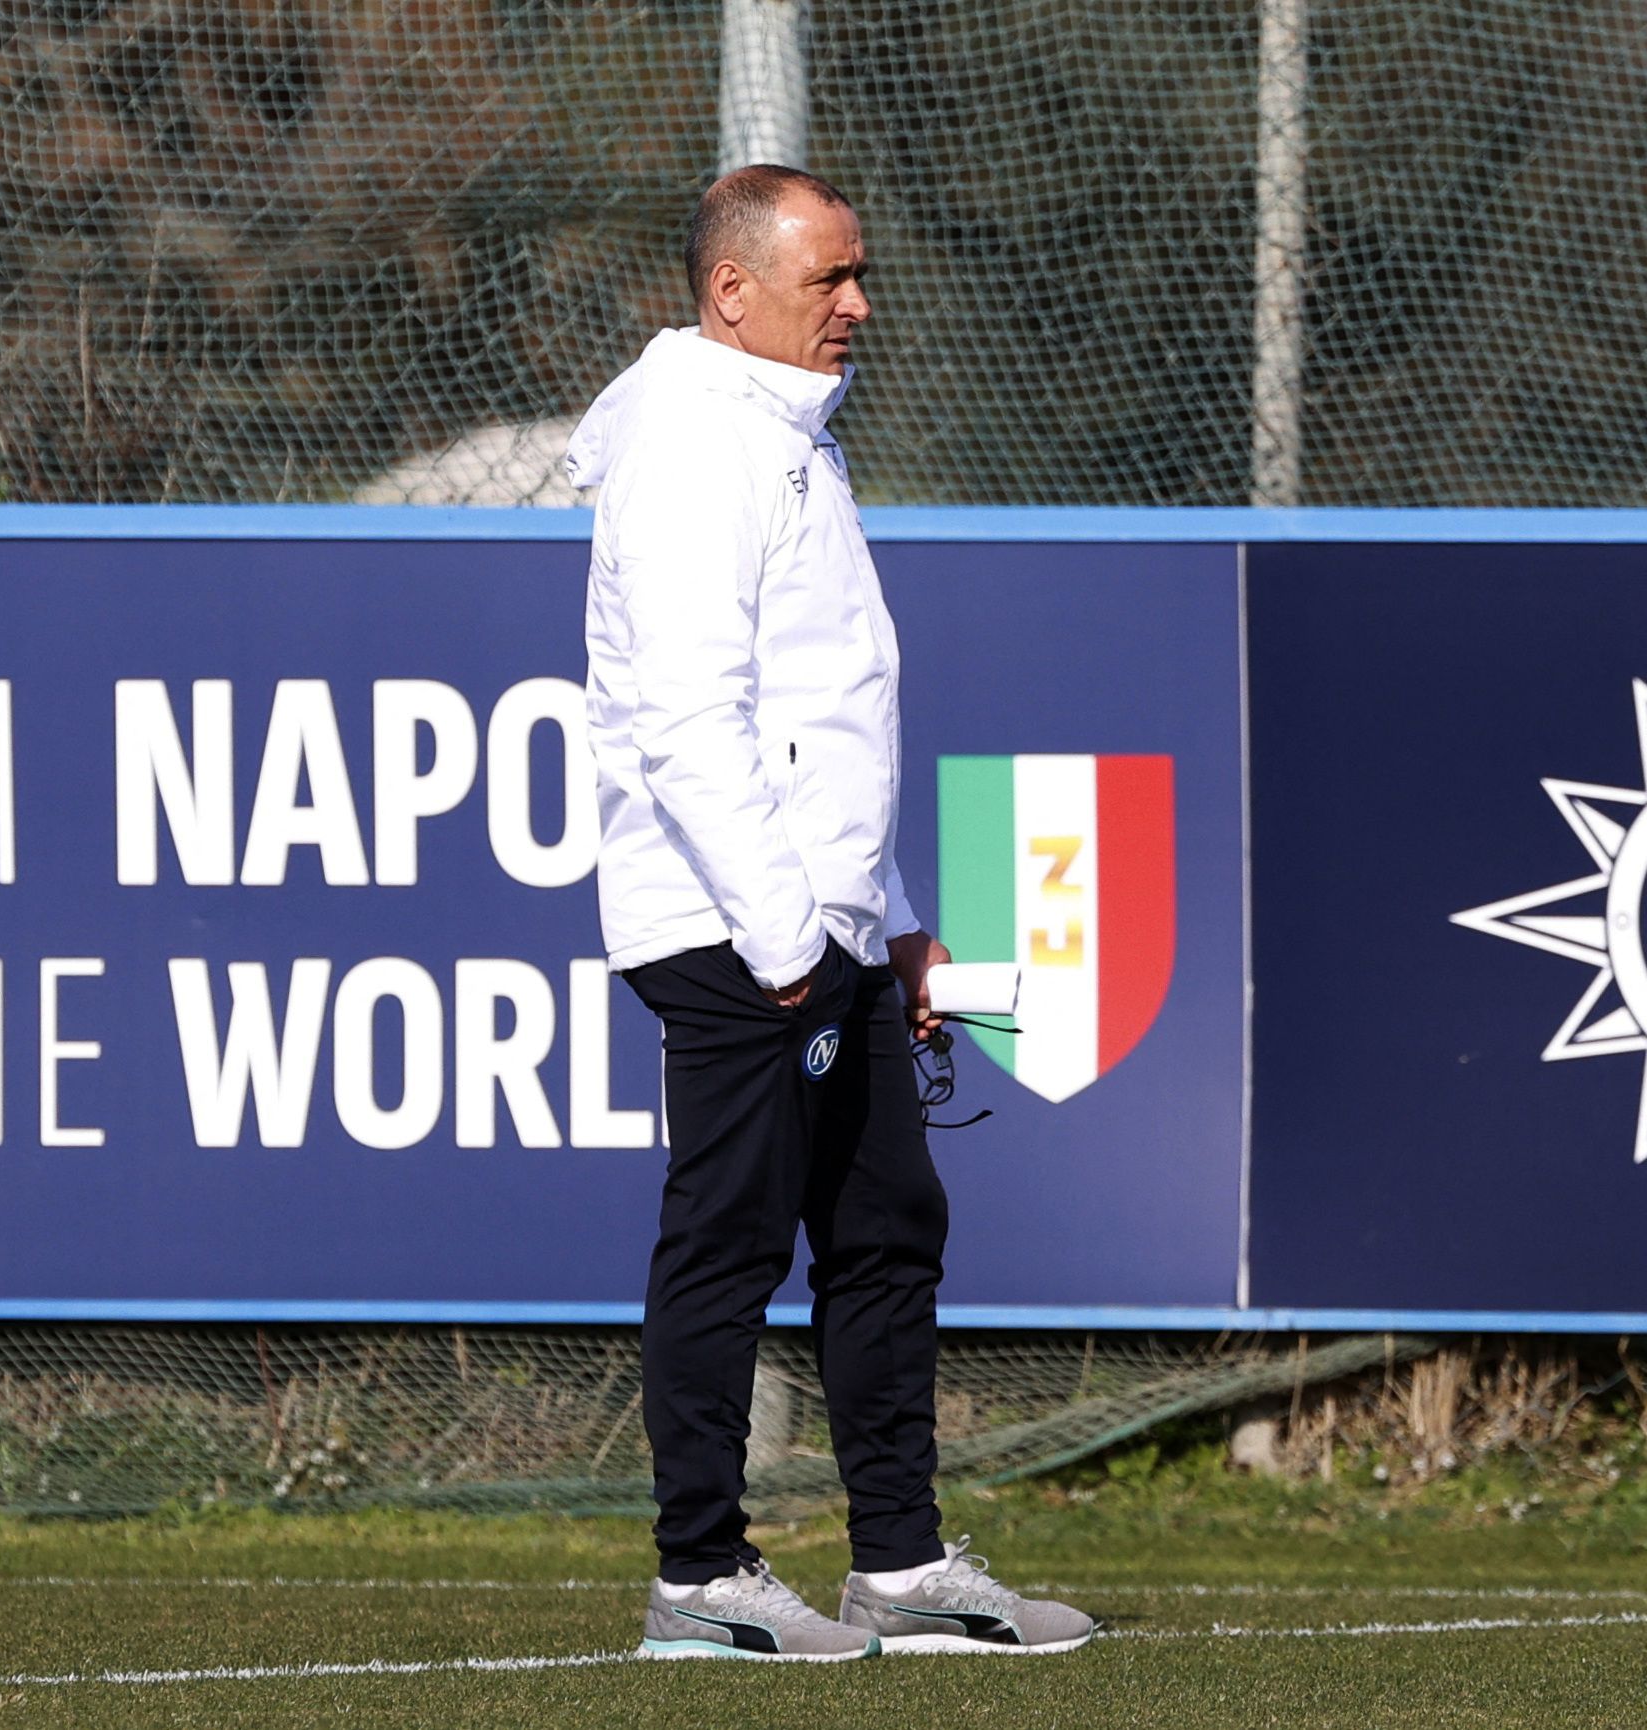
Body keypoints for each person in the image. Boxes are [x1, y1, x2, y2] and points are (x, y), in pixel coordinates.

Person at [568, 165, 1094, 1662]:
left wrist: (897, 924)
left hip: (824, 926)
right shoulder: (688, 449)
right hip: (735, 929)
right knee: (727, 1239)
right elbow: (689, 720)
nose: (860, 305)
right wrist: (793, 945)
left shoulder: (796, 441)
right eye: (830, 279)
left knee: (884, 1229)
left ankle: (903, 1567)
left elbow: (834, 720)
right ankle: (698, 1576)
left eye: (860, 276)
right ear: (733, 291)